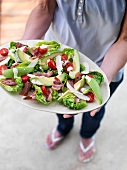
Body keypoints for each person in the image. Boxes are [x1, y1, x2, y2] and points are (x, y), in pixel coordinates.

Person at [22, 0, 127, 163]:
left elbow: (125, 38)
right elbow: (44, 7)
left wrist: (105, 77)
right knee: (58, 104)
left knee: (95, 111)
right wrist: (21, 49)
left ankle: (87, 135)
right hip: (56, 60)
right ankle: (64, 128)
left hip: (105, 65)